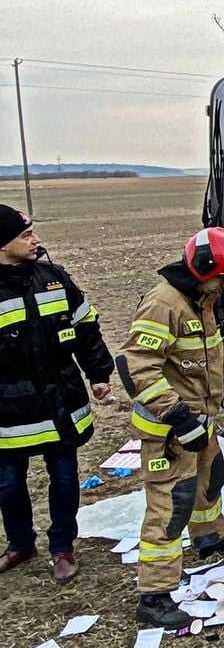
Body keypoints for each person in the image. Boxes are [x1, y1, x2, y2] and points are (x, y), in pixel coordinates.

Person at [115, 227, 224, 627]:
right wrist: (178, 417)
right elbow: (137, 367)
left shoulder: (203, 300)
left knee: (210, 480)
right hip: (169, 430)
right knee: (171, 504)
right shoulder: (165, 304)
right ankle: (154, 593)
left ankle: (210, 537)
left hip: (201, 420)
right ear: (202, 268)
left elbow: (205, 355)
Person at [0, 205, 113, 582]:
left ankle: (62, 547)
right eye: (25, 235)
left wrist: (99, 373)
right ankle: (20, 544)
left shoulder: (54, 278)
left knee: (64, 478)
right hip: (9, 410)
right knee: (9, 483)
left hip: (60, 401)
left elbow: (86, 326)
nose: (35, 241)